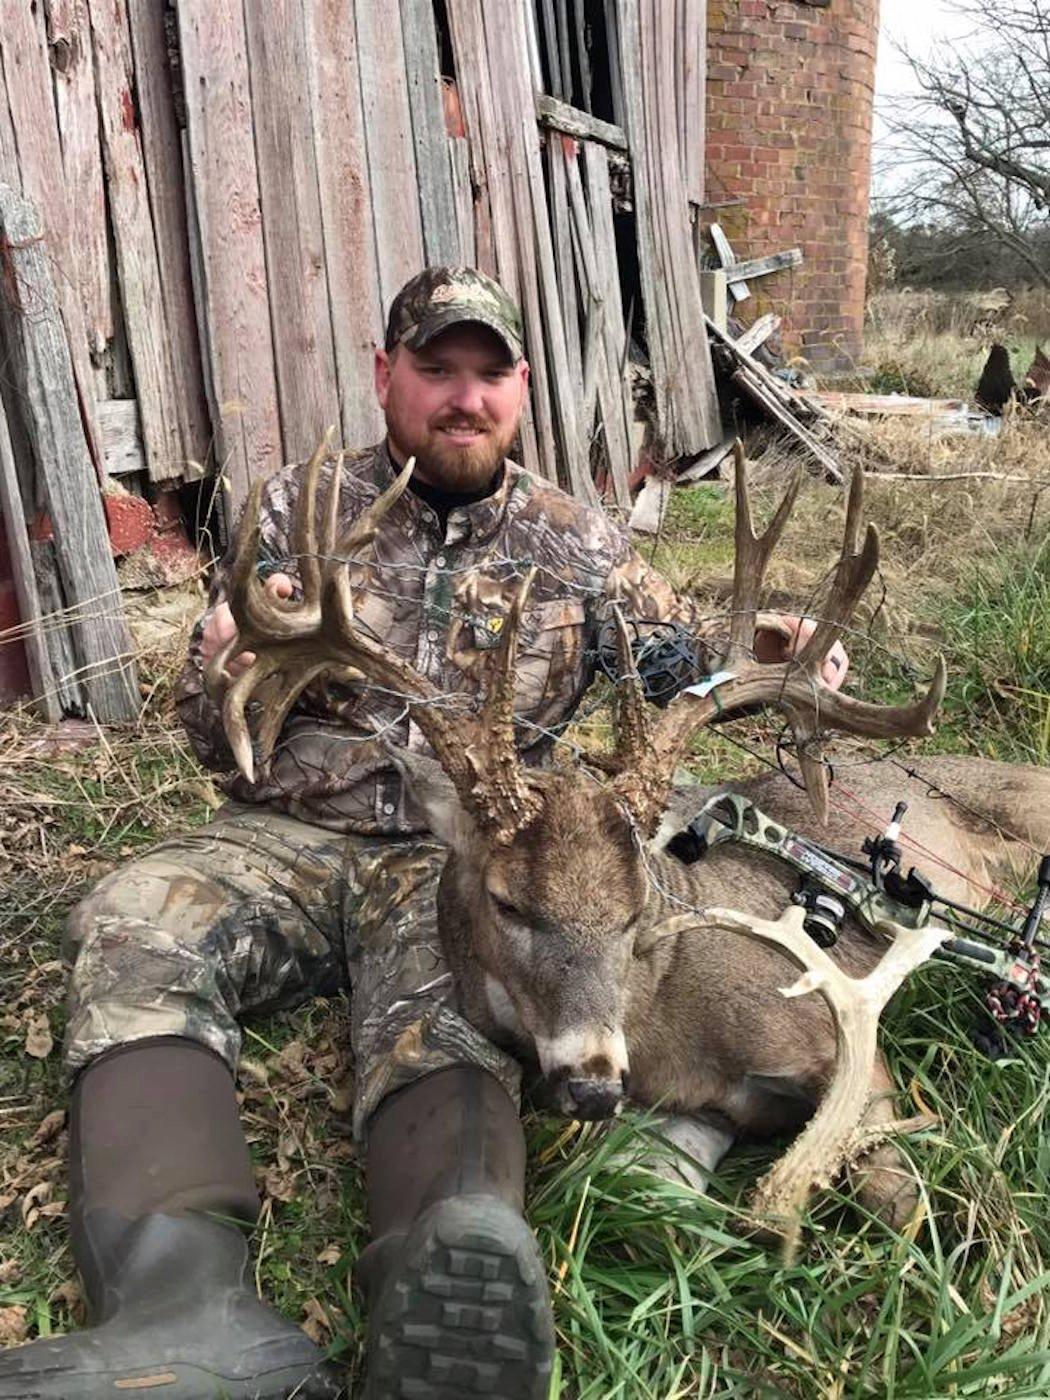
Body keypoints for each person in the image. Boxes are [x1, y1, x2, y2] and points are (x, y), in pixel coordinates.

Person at [0, 267, 847, 1400]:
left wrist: (772, 652)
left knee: (453, 1016)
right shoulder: (298, 513)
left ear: (520, 389)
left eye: (486, 373)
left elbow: (680, 663)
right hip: (288, 831)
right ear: (386, 374)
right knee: (134, 923)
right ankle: (178, 1304)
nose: (462, 396)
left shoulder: (576, 543)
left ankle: (452, 1268)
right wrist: (212, 670)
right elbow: (216, 737)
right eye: (436, 369)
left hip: (477, 862)